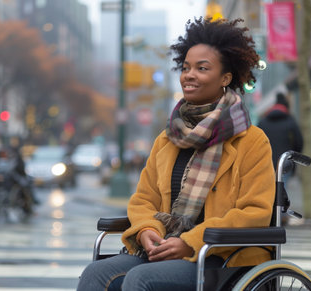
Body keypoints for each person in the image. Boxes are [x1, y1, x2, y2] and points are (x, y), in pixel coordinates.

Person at [77, 17, 275, 291]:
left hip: (222, 257)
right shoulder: (168, 139)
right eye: (186, 68)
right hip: (164, 250)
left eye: (202, 68)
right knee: (95, 274)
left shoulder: (251, 141)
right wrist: (148, 230)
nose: (189, 75)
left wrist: (190, 241)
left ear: (225, 78)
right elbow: (144, 198)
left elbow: (255, 212)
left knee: (141, 280)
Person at [258, 92, 304, 172]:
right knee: (283, 183)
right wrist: (293, 157)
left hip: (266, 163)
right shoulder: (290, 121)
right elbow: (299, 142)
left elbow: (256, 143)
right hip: (285, 162)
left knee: (268, 184)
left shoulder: (263, 122)